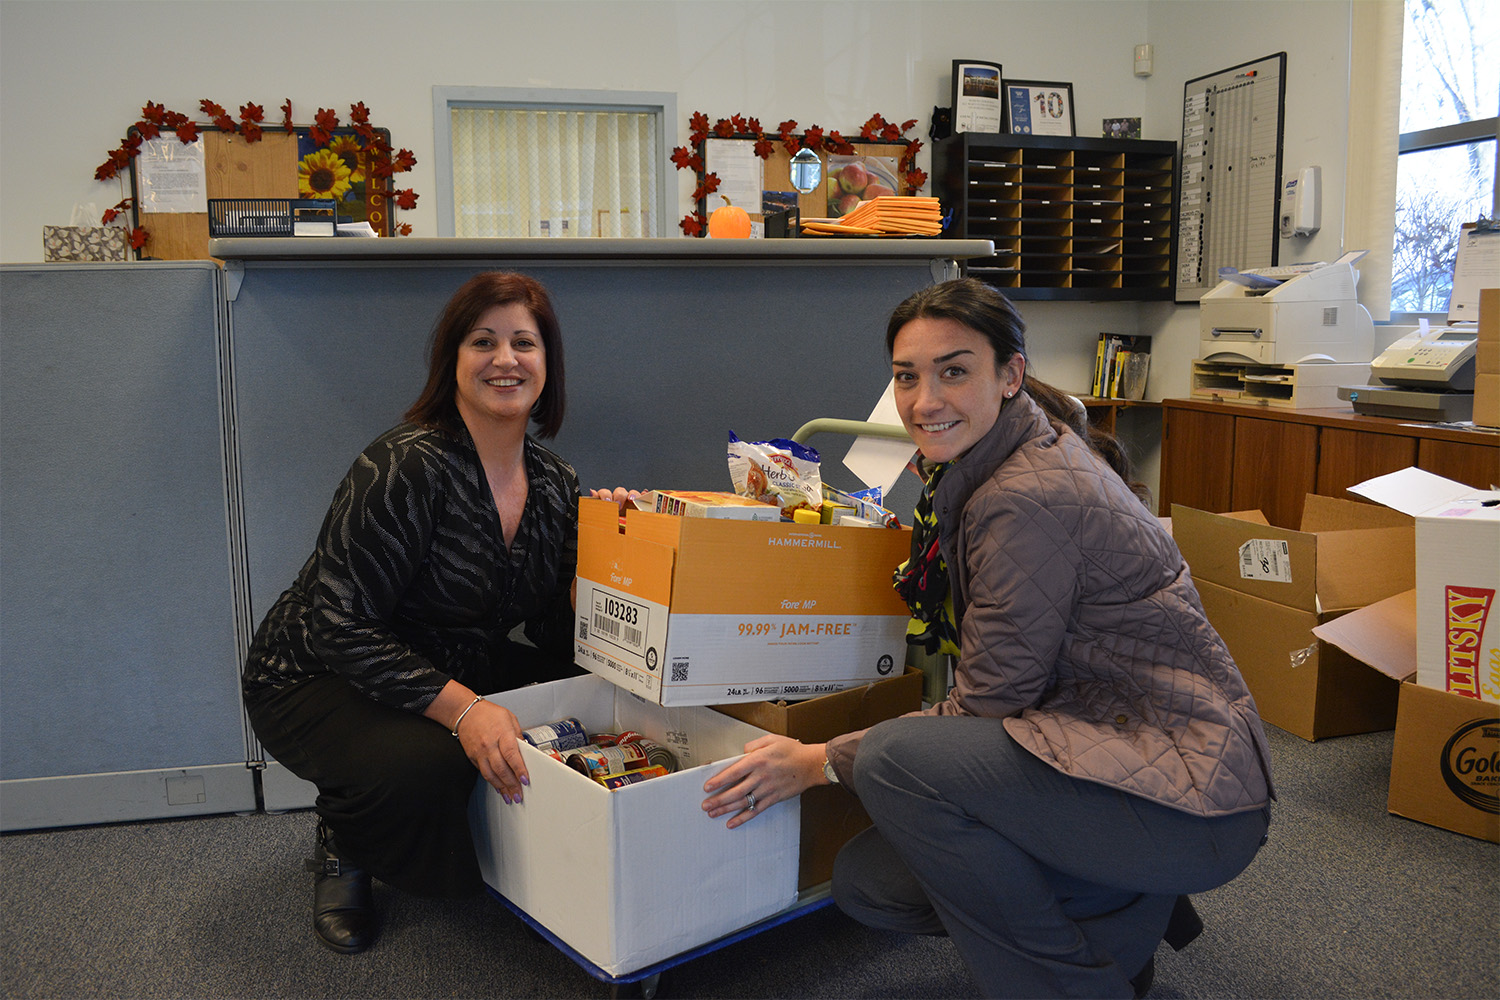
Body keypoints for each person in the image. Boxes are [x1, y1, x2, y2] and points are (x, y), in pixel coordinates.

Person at [701, 278, 1275, 999]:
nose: (924, 400)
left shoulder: (1024, 497)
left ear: (1010, 375)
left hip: (1188, 797)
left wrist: (817, 760)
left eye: (954, 371)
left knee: (893, 760)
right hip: (1130, 752)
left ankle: (1071, 985)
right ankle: (1123, 924)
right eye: (907, 377)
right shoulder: (1012, 452)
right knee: (875, 880)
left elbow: (986, 706)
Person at [242, 271, 588, 955]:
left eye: (525, 342)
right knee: (431, 762)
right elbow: (338, 625)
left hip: (446, 660)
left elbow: (551, 631)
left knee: (583, 697)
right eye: (482, 341)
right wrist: (465, 709)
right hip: (315, 674)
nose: (505, 359)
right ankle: (346, 836)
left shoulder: (558, 483)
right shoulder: (404, 464)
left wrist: (606, 573)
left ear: (547, 364)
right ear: (451, 362)